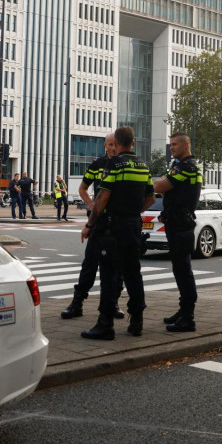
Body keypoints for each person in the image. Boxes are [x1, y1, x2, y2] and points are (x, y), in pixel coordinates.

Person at [80, 126, 154, 340]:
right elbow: (150, 198)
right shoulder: (143, 166)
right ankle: (137, 321)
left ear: (118, 143)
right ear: (133, 143)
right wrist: (134, 211)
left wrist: (90, 225)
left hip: (113, 228)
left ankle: (105, 324)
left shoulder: (114, 165)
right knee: (133, 274)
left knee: (109, 275)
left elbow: (102, 198)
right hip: (133, 227)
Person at [61, 133, 124, 320]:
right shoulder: (97, 165)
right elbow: (82, 188)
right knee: (89, 264)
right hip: (98, 223)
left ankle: (114, 303)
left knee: (117, 268)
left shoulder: (123, 165)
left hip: (117, 222)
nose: (113, 148)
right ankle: (77, 302)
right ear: (105, 145)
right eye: (110, 144)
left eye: (116, 144)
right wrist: (91, 204)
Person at [153, 133, 203, 332]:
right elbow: (164, 187)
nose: (171, 148)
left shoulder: (186, 167)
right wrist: (167, 185)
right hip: (177, 223)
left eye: (175, 144)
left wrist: (165, 184)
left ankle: (188, 318)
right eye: (170, 144)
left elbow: (158, 186)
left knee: (183, 271)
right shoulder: (180, 166)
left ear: (186, 144)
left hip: (181, 225)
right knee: (180, 269)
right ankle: (183, 310)